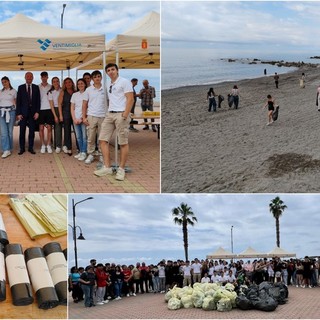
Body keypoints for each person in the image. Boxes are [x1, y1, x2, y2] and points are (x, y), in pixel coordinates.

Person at [93, 63, 133, 181]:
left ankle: (121, 169)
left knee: (123, 142)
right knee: (102, 140)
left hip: (121, 114)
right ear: (106, 73)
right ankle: (107, 167)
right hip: (110, 114)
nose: (111, 71)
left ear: (117, 70)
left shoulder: (124, 82)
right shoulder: (109, 83)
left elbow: (130, 98)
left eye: (112, 69)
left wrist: (125, 115)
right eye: (108, 70)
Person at [82, 70, 106, 165]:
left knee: (102, 137)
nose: (97, 78)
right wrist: (84, 117)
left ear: (101, 77)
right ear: (92, 79)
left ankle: (101, 154)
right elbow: (84, 104)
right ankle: (91, 154)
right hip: (91, 116)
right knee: (91, 137)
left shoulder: (105, 88)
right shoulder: (88, 90)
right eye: (95, 77)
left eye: (99, 76)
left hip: (103, 116)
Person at [16, 72, 40, 155]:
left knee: (32, 131)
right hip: (23, 113)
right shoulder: (20, 87)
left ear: (33, 78)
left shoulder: (36, 87)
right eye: (27, 76)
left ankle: (30, 148)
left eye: (31, 76)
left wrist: (37, 112)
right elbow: (18, 101)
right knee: (22, 131)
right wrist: (18, 113)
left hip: (33, 113)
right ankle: (22, 148)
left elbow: (38, 101)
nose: (29, 77)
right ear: (25, 77)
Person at [71, 78, 88, 161]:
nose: (80, 85)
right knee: (78, 137)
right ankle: (81, 151)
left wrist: (82, 118)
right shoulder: (75, 95)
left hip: (84, 119)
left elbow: (88, 107)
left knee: (85, 137)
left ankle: (84, 152)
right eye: (78, 84)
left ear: (85, 84)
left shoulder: (88, 93)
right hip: (76, 119)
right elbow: (72, 108)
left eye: (82, 83)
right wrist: (74, 118)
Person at [58, 78, 76, 156]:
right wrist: (61, 115)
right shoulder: (62, 92)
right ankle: (69, 148)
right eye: (66, 83)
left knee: (76, 131)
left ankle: (79, 148)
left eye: (69, 82)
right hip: (66, 114)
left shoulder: (76, 92)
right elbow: (59, 104)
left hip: (75, 114)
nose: (68, 84)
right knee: (67, 131)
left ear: (72, 83)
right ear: (64, 84)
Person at [0, 76, 17, 158]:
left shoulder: (14, 91)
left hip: (11, 112)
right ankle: (5, 150)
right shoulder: (0, 92)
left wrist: (17, 113)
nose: (4, 84)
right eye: (2, 82)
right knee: (3, 132)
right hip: (1, 112)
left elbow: (16, 103)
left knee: (10, 132)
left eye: (5, 82)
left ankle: (9, 149)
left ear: (9, 81)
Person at [38, 71, 54, 154]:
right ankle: (42, 145)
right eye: (42, 76)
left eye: (45, 76)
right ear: (41, 78)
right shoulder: (38, 87)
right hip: (40, 110)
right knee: (41, 128)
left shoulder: (51, 87)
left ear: (47, 77)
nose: (44, 78)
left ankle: (48, 145)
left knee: (49, 128)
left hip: (49, 109)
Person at [48, 77, 62, 153]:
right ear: (52, 83)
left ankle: (59, 145)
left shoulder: (62, 90)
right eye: (54, 81)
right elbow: (51, 105)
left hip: (62, 109)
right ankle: (56, 145)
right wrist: (55, 116)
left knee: (59, 128)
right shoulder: (50, 92)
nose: (56, 83)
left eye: (57, 81)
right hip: (54, 110)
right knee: (56, 128)